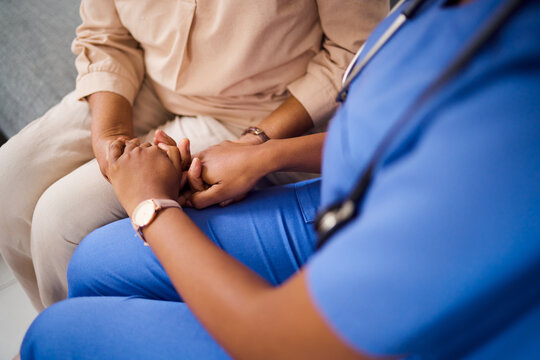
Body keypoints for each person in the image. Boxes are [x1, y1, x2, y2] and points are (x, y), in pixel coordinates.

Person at [20, 0, 540, 358]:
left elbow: (274, 340)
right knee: (93, 261)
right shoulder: (468, 17)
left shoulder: (509, 133)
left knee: (54, 331)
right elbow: (403, 127)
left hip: (393, 255)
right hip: (352, 183)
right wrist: (264, 157)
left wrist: (150, 208)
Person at [0, 0, 387, 310]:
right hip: (144, 82)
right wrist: (110, 134)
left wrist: (256, 141)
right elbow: (107, 34)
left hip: (260, 108)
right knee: (8, 179)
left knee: (60, 221)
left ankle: (70, 339)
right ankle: (49, 327)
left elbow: (352, 51)